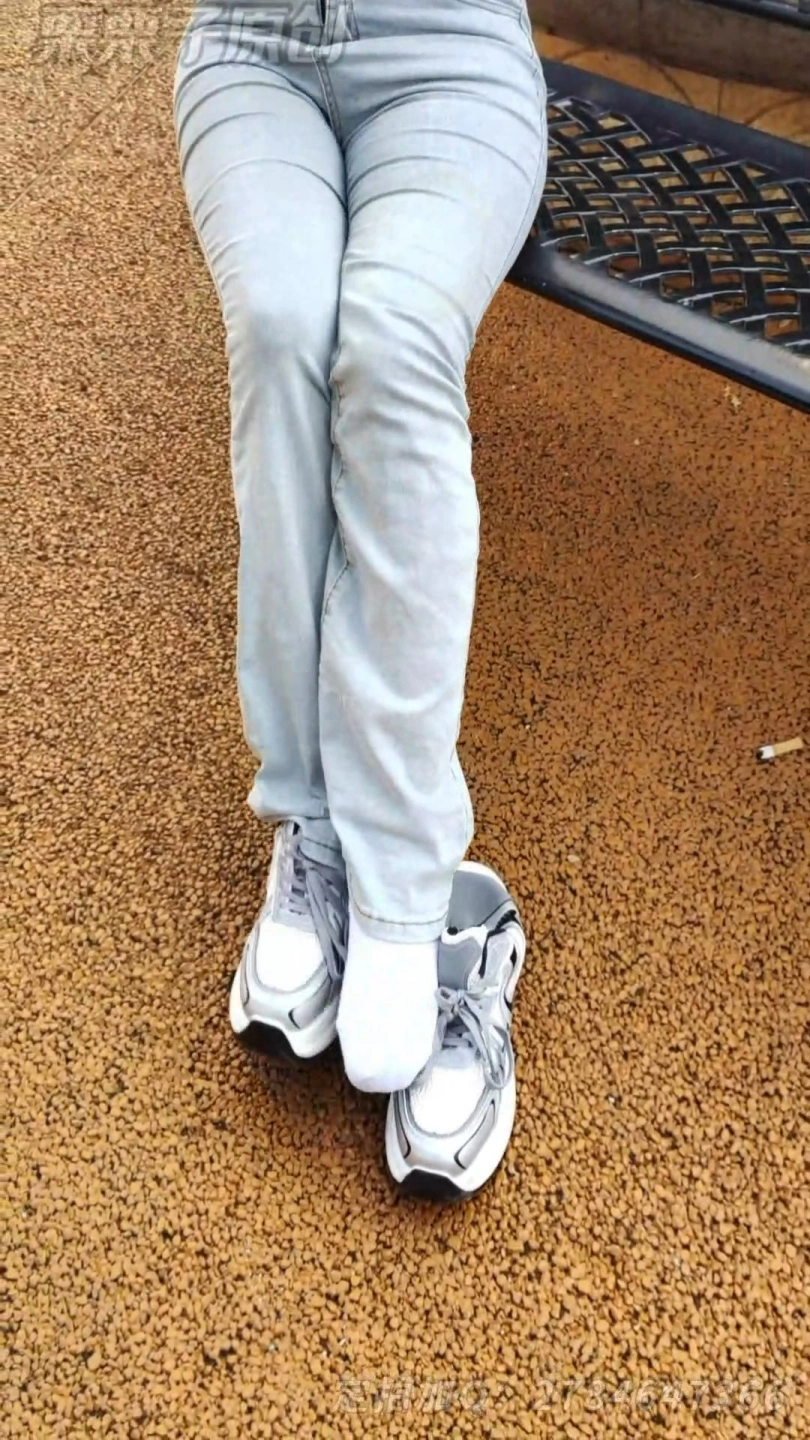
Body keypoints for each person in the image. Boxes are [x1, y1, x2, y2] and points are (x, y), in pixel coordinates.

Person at [174, 0, 547, 1198]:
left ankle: (400, 887)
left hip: (450, 54)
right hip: (256, 49)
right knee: (284, 331)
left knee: (390, 342)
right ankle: (315, 826)